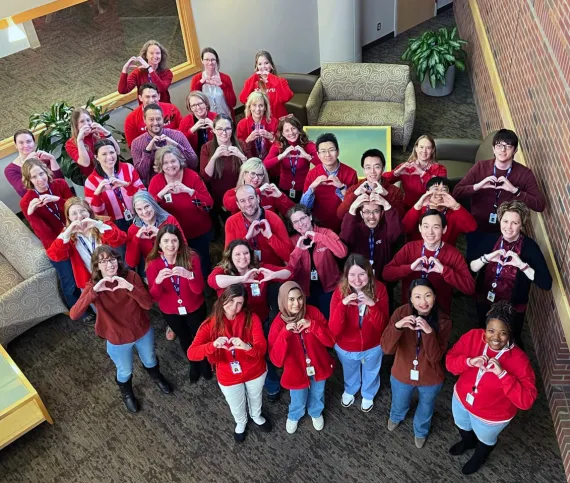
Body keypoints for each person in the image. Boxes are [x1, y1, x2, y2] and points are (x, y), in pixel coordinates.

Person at [69, 246, 172, 413]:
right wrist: (94, 291)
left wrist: (129, 288)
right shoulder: (93, 286)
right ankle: (127, 393)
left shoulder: (131, 276)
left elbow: (147, 304)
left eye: (112, 259)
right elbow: (74, 314)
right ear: (97, 266)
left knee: (150, 359)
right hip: (117, 338)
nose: (109, 265)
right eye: (103, 261)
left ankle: (157, 377)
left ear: (117, 260)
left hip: (141, 330)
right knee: (125, 370)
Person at [446, 301, 537, 475]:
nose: (496, 338)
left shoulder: (520, 360)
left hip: (492, 416)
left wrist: (503, 375)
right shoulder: (473, 337)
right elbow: (450, 362)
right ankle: (467, 442)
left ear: (510, 333)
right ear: (485, 329)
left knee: (485, 439)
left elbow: (527, 401)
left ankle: (480, 457)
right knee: (461, 425)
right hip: (461, 399)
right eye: (491, 331)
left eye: (503, 333)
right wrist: (468, 362)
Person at [208, 239, 291, 402]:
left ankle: (272, 386)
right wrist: (241, 280)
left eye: (246, 253)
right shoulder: (222, 272)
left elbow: (289, 272)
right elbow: (212, 282)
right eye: (237, 254)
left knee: (264, 356)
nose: (242, 257)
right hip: (234, 326)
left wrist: (273, 275)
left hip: (260, 323)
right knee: (240, 358)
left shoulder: (258, 270)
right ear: (230, 256)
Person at [188, 284, 272, 442]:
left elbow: (261, 349)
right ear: (223, 299)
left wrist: (246, 346)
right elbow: (192, 353)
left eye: (239, 303)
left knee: (256, 396)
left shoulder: (251, 318)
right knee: (236, 403)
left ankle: (256, 415)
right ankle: (241, 421)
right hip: (228, 375)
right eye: (231, 301)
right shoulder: (209, 325)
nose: (234, 307)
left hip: (254, 370)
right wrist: (212, 345)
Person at [453, 129, 546, 262]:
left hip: (505, 231)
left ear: (515, 151)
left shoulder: (524, 174)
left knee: (495, 267)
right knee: (472, 262)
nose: (503, 150)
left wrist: (515, 191)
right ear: (494, 148)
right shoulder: (481, 167)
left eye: (508, 146)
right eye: (499, 146)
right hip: (477, 225)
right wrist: (478, 186)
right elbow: (457, 192)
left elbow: (540, 205)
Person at [470, 200, 552, 348]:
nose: (508, 227)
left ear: (522, 225)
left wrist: (522, 265)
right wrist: (486, 258)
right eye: (506, 221)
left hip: (513, 308)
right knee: (484, 334)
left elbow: (546, 283)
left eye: (515, 223)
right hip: (486, 300)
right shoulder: (490, 240)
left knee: (510, 340)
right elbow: (472, 268)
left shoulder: (530, 247)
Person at [381, 279, 452, 449]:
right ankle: (396, 416)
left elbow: (435, 357)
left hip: (430, 376)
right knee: (399, 399)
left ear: (434, 297)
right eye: (417, 297)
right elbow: (386, 348)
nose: (423, 302)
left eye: (428, 296)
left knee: (426, 406)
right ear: (411, 299)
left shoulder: (444, 321)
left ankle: (420, 430)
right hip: (402, 371)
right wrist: (397, 326)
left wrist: (428, 332)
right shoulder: (401, 313)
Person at [268, 281, 335, 434]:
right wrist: (285, 334)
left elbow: (330, 341)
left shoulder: (313, 312)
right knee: (297, 396)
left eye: (299, 298)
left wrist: (313, 326)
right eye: (291, 299)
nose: (296, 303)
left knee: (318, 392)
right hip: (295, 370)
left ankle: (315, 412)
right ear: (283, 300)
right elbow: (276, 359)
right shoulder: (278, 324)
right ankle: (295, 415)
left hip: (318, 364)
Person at [383, 209, 475, 315]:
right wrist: (410, 268)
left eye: (435, 227)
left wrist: (444, 271)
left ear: (444, 229)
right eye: (426, 226)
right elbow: (387, 274)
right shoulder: (409, 248)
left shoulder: (454, 254)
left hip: (439, 313)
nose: (430, 232)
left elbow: (470, 287)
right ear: (420, 228)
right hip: (410, 310)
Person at [146, 225, 207, 382]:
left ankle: (205, 361)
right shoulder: (153, 264)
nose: (170, 245)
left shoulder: (191, 258)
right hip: (171, 310)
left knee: (200, 335)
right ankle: (193, 363)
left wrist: (190, 276)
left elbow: (199, 290)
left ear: (180, 242)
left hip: (194, 306)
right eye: (165, 241)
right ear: (159, 244)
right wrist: (158, 281)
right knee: (184, 337)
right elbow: (154, 296)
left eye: (174, 240)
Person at [329, 254, 389, 412]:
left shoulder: (380, 289)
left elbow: (383, 326)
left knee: (372, 370)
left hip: (373, 345)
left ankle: (368, 393)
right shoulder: (339, 292)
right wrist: (342, 305)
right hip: (347, 346)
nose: (357, 280)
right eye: (352, 275)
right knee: (350, 370)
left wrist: (373, 305)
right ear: (346, 275)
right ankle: (351, 389)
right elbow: (334, 330)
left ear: (369, 273)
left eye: (362, 274)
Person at [20, 159, 81, 312]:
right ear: (29, 180)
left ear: (46, 171)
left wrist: (58, 200)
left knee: (84, 272)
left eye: (41, 174)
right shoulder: (27, 201)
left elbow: (76, 209)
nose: (40, 179)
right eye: (34, 177)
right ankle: (77, 311)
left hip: (76, 235)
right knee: (69, 280)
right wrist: (31, 215)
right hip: (56, 245)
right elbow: (45, 235)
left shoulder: (59, 184)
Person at [149, 146, 214, 276]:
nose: (170, 165)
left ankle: (205, 287)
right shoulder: (156, 181)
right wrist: (161, 195)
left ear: (180, 161)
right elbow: (149, 210)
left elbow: (209, 205)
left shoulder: (192, 176)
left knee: (202, 263)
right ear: (160, 165)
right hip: (172, 235)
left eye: (173, 161)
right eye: (165, 163)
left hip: (197, 231)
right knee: (179, 265)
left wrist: (189, 192)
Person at [46, 197, 127, 289]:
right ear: (68, 217)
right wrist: (67, 234)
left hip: (115, 274)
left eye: (82, 211)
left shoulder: (103, 224)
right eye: (74, 213)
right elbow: (55, 255)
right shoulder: (67, 234)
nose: (79, 216)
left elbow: (120, 239)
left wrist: (98, 225)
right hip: (91, 282)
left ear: (89, 212)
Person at [286, 205, 347, 319]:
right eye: (296, 222)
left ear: (310, 217)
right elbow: (290, 270)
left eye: (303, 218)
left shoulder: (326, 233)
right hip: (305, 293)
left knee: (331, 321)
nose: (301, 224)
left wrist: (319, 237)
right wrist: (298, 249)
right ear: (293, 226)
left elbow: (342, 252)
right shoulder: (292, 241)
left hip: (330, 289)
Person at [300, 133, 358, 232]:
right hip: (318, 227)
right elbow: (304, 208)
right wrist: (312, 188)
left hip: (343, 225)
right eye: (323, 151)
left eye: (331, 150)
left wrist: (342, 187)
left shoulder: (351, 173)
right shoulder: (312, 174)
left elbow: (354, 206)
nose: (327, 155)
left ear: (338, 152)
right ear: (318, 154)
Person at [84, 140, 145, 234]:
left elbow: (144, 195)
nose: (109, 157)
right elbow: (95, 213)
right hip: (113, 224)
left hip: (138, 215)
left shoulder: (128, 168)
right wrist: (97, 194)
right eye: (104, 154)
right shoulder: (91, 181)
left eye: (112, 152)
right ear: (96, 157)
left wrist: (126, 186)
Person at [340, 192, 402, 281]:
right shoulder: (355, 228)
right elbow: (345, 239)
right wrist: (353, 208)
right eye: (367, 212)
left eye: (376, 211)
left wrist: (386, 205)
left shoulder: (386, 228)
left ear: (382, 213)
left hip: (383, 280)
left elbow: (395, 234)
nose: (371, 216)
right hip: (358, 280)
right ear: (361, 214)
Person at [131, 104, 198, 186]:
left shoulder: (177, 135)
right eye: (151, 119)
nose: (155, 123)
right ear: (144, 120)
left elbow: (194, 163)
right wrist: (147, 151)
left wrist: (176, 145)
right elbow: (141, 175)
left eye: (158, 119)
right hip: (157, 188)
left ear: (163, 119)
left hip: (184, 182)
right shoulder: (136, 143)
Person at [225, 185, 292, 266]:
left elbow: (288, 256)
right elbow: (228, 257)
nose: (248, 204)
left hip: (272, 271)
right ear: (238, 204)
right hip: (245, 272)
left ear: (258, 198)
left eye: (251, 198)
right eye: (242, 201)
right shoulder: (231, 222)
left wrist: (270, 236)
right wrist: (246, 238)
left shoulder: (274, 218)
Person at [199, 113, 250, 214]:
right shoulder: (206, 148)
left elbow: (252, 172)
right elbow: (205, 177)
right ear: (213, 130)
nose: (224, 132)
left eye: (227, 128)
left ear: (232, 129)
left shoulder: (242, 145)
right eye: (220, 129)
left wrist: (242, 157)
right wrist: (214, 157)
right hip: (220, 197)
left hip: (243, 194)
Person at [403, 177, 477, 246]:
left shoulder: (455, 212)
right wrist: (418, 206)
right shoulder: (418, 209)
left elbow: (471, 228)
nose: (439, 193)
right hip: (417, 252)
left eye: (444, 190)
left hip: (445, 254)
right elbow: (405, 228)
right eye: (435, 189)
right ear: (427, 192)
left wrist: (456, 206)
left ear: (449, 194)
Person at [263, 115, 320, 201]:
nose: (291, 133)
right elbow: (264, 165)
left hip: (304, 188)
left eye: (293, 128)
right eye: (287, 130)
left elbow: (324, 164)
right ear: (282, 133)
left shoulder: (308, 145)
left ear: (298, 129)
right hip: (284, 188)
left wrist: (307, 156)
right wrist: (281, 156)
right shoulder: (278, 146)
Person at [337, 148, 405, 219]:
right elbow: (340, 215)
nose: (372, 171)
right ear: (363, 170)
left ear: (383, 168)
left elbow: (400, 217)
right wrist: (355, 195)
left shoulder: (395, 191)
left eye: (377, 167)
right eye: (368, 167)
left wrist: (386, 195)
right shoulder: (354, 189)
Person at [382, 135, 446, 209]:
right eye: (421, 147)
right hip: (409, 207)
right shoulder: (406, 167)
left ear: (432, 150)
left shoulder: (440, 169)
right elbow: (382, 181)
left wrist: (422, 173)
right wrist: (396, 173)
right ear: (416, 148)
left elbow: (439, 190)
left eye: (428, 148)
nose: (424, 151)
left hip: (431, 208)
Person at [125, 190, 185, 270]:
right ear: (135, 211)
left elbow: (184, 247)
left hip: (176, 265)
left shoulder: (169, 220)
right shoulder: (133, 229)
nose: (144, 212)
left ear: (153, 204)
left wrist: (161, 234)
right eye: (139, 209)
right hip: (153, 270)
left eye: (147, 206)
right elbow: (131, 263)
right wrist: (136, 239)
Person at [222, 158, 294, 216]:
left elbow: (293, 213)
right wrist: (257, 192)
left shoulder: (269, 192)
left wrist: (281, 196)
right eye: (253, 174)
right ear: (244, 174)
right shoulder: (232, 193)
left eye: (260, 175)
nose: (256, 178)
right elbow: (229, 206)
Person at [6, 129, 64, 197]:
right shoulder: (10, 170)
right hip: (37, 203)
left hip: (57, 196)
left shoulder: (43, 157)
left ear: (34, 142)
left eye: (29, 141)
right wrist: (25, 164)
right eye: (21, 143)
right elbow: (23, 191)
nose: (26, 145)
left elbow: (60, 181)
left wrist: (52, 159)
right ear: (16, 145)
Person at [65, 108, 120, 178]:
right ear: (76, 126)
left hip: (114, 171)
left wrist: (105, 132)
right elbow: (85, 163)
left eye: (88, 120)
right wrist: (80, 140)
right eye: (82, 121)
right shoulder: (70, 144)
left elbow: (117, 152)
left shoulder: (98, 133)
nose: (86, 124)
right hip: (94, 178)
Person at [239, 50, 293, 120]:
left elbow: (286, 97)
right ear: (256, 66)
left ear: (271, 65)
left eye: (266, 63)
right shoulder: (253, 82)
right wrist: (255, 77)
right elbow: (243, 99)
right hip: (261, 120)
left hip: (278, 120)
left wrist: (270, 77)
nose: (263, 67)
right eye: (260, 64)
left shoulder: (281, 81)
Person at [123, 83, 182, 147]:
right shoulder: (131, 119)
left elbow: (182, 131)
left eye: (154, 96)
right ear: (140, 98)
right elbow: (133, 146)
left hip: (175, 148)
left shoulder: (172, 109)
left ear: (159, 96)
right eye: (147, 97)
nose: (151, 100)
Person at [189, 47, 236, 118]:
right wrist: (200, 83)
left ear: (216, 61)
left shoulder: (225, 78)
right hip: (207, 119)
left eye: (213, 60)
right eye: (207, 60)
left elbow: (233, 103)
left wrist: (222, 85)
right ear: (202, 60)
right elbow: (193, 104)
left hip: (226, 117)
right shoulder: (196, 79)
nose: (210, 63)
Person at [236, 92, 278, 160]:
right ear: (249, 107)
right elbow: (239, 149)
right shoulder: (241, 124)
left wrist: (272, 138)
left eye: (261, 105)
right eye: (254, 105)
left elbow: (280, 146)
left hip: (269, 159)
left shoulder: (274, 122)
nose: (257, 109)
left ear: (265, 108)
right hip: (251, 161)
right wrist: (248, 140)